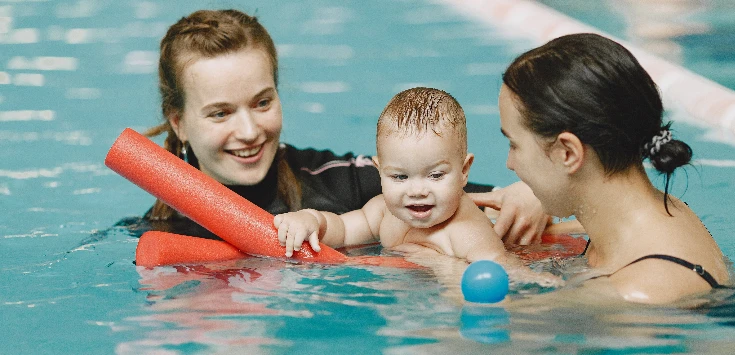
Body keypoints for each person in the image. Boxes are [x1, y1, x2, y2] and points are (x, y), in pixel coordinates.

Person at [139, 8, 550, 244]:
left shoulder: (344, 183)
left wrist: (531, 196)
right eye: (220, 113)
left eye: (262, 102)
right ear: (180, 123)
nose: (248, 131)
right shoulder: (165, 229)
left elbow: (468, 192)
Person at [497, 33, 733, 303]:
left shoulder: (633, 293)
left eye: (514, 145)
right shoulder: (663, 211)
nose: (509, 163)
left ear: (568, 153)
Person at [273, 87, 561, 286]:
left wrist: (441, 265)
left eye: (435, 175)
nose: (417, 190)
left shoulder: (466, 231)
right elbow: (344, 230)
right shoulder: (386, 212)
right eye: (400, 177)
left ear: (464, 171)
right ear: (380, 172)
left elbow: (500, 271)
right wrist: (311, 219)